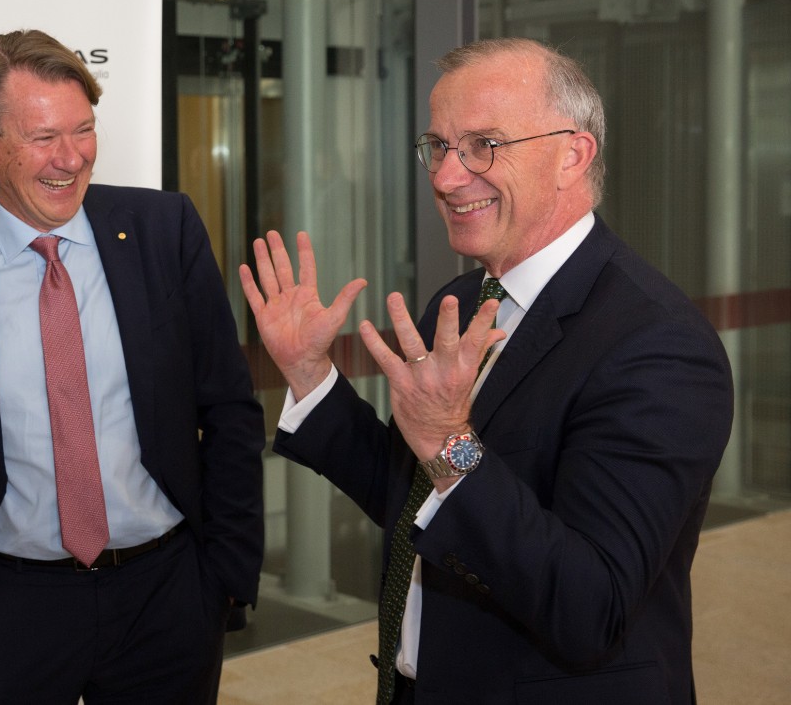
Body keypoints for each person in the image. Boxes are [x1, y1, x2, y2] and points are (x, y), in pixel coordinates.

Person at [240, 38, 732, 704]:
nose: (445, 177)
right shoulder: (467, 301)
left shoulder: (658, 345)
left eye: (483, 145)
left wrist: (450, 443)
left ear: (572, 155)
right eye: (439, 147)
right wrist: (310, 375)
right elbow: (412, 494)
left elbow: (589, 605)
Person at [0, 29, 264, 704]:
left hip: (166, 599)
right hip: (10, 610)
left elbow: (228, 411)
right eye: (43, 137)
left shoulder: (164, 229)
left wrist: (221, 574)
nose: (70, 159)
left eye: (84, 130)